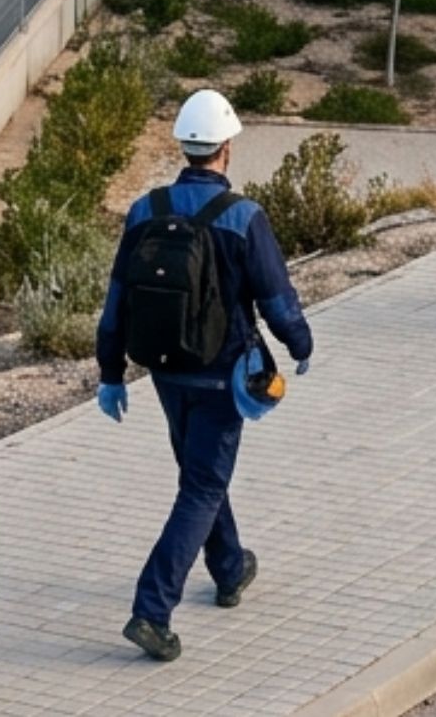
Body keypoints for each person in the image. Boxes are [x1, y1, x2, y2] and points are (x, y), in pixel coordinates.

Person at [95, 89, 313, 664]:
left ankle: (230, 567)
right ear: (227, 148)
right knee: (201, 486)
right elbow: (276, 297)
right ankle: (151, 610)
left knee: (200, 476)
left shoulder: (145, 210)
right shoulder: (243, 216)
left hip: (164, 373)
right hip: (223, 374)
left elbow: (117, 299)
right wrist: (301, 344)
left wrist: (110, 372)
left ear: (184, 146)